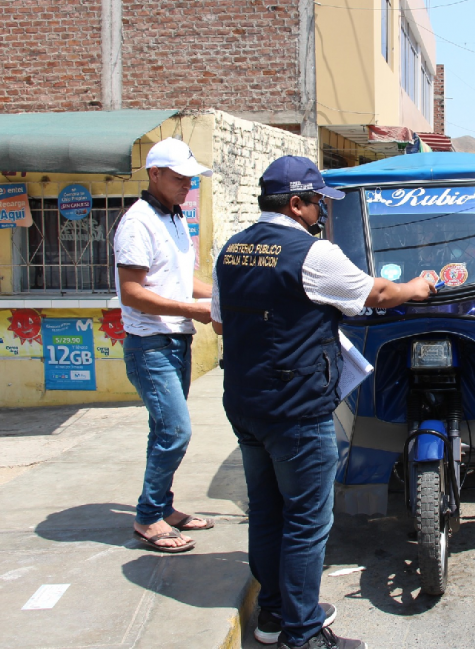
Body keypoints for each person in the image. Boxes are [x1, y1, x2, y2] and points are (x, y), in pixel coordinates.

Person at [212, 156, 434, 649]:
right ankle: (305, 633)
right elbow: (376, 293)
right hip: (296, 409)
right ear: (296, 203)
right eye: (318, 204)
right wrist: (415, 288)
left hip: (246, 404)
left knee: (268, 512)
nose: (323, 214)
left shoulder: (231, 250)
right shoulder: (313, 253)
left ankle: (272, 616)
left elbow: (221, 323)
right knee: (308, 520)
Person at [114, 137, 216, 554]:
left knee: (165, 431)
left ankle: (163, 507)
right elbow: (132, 291)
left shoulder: (175, 219)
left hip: (177, 342)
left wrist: (227, 296)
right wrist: (191, 309)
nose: (186, 187)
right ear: (154, 174)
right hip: (150, 344)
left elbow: (181, 279)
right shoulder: (137, 223)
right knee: (175, 431)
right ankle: (147, 518)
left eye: (190, 180)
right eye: (178, 179)